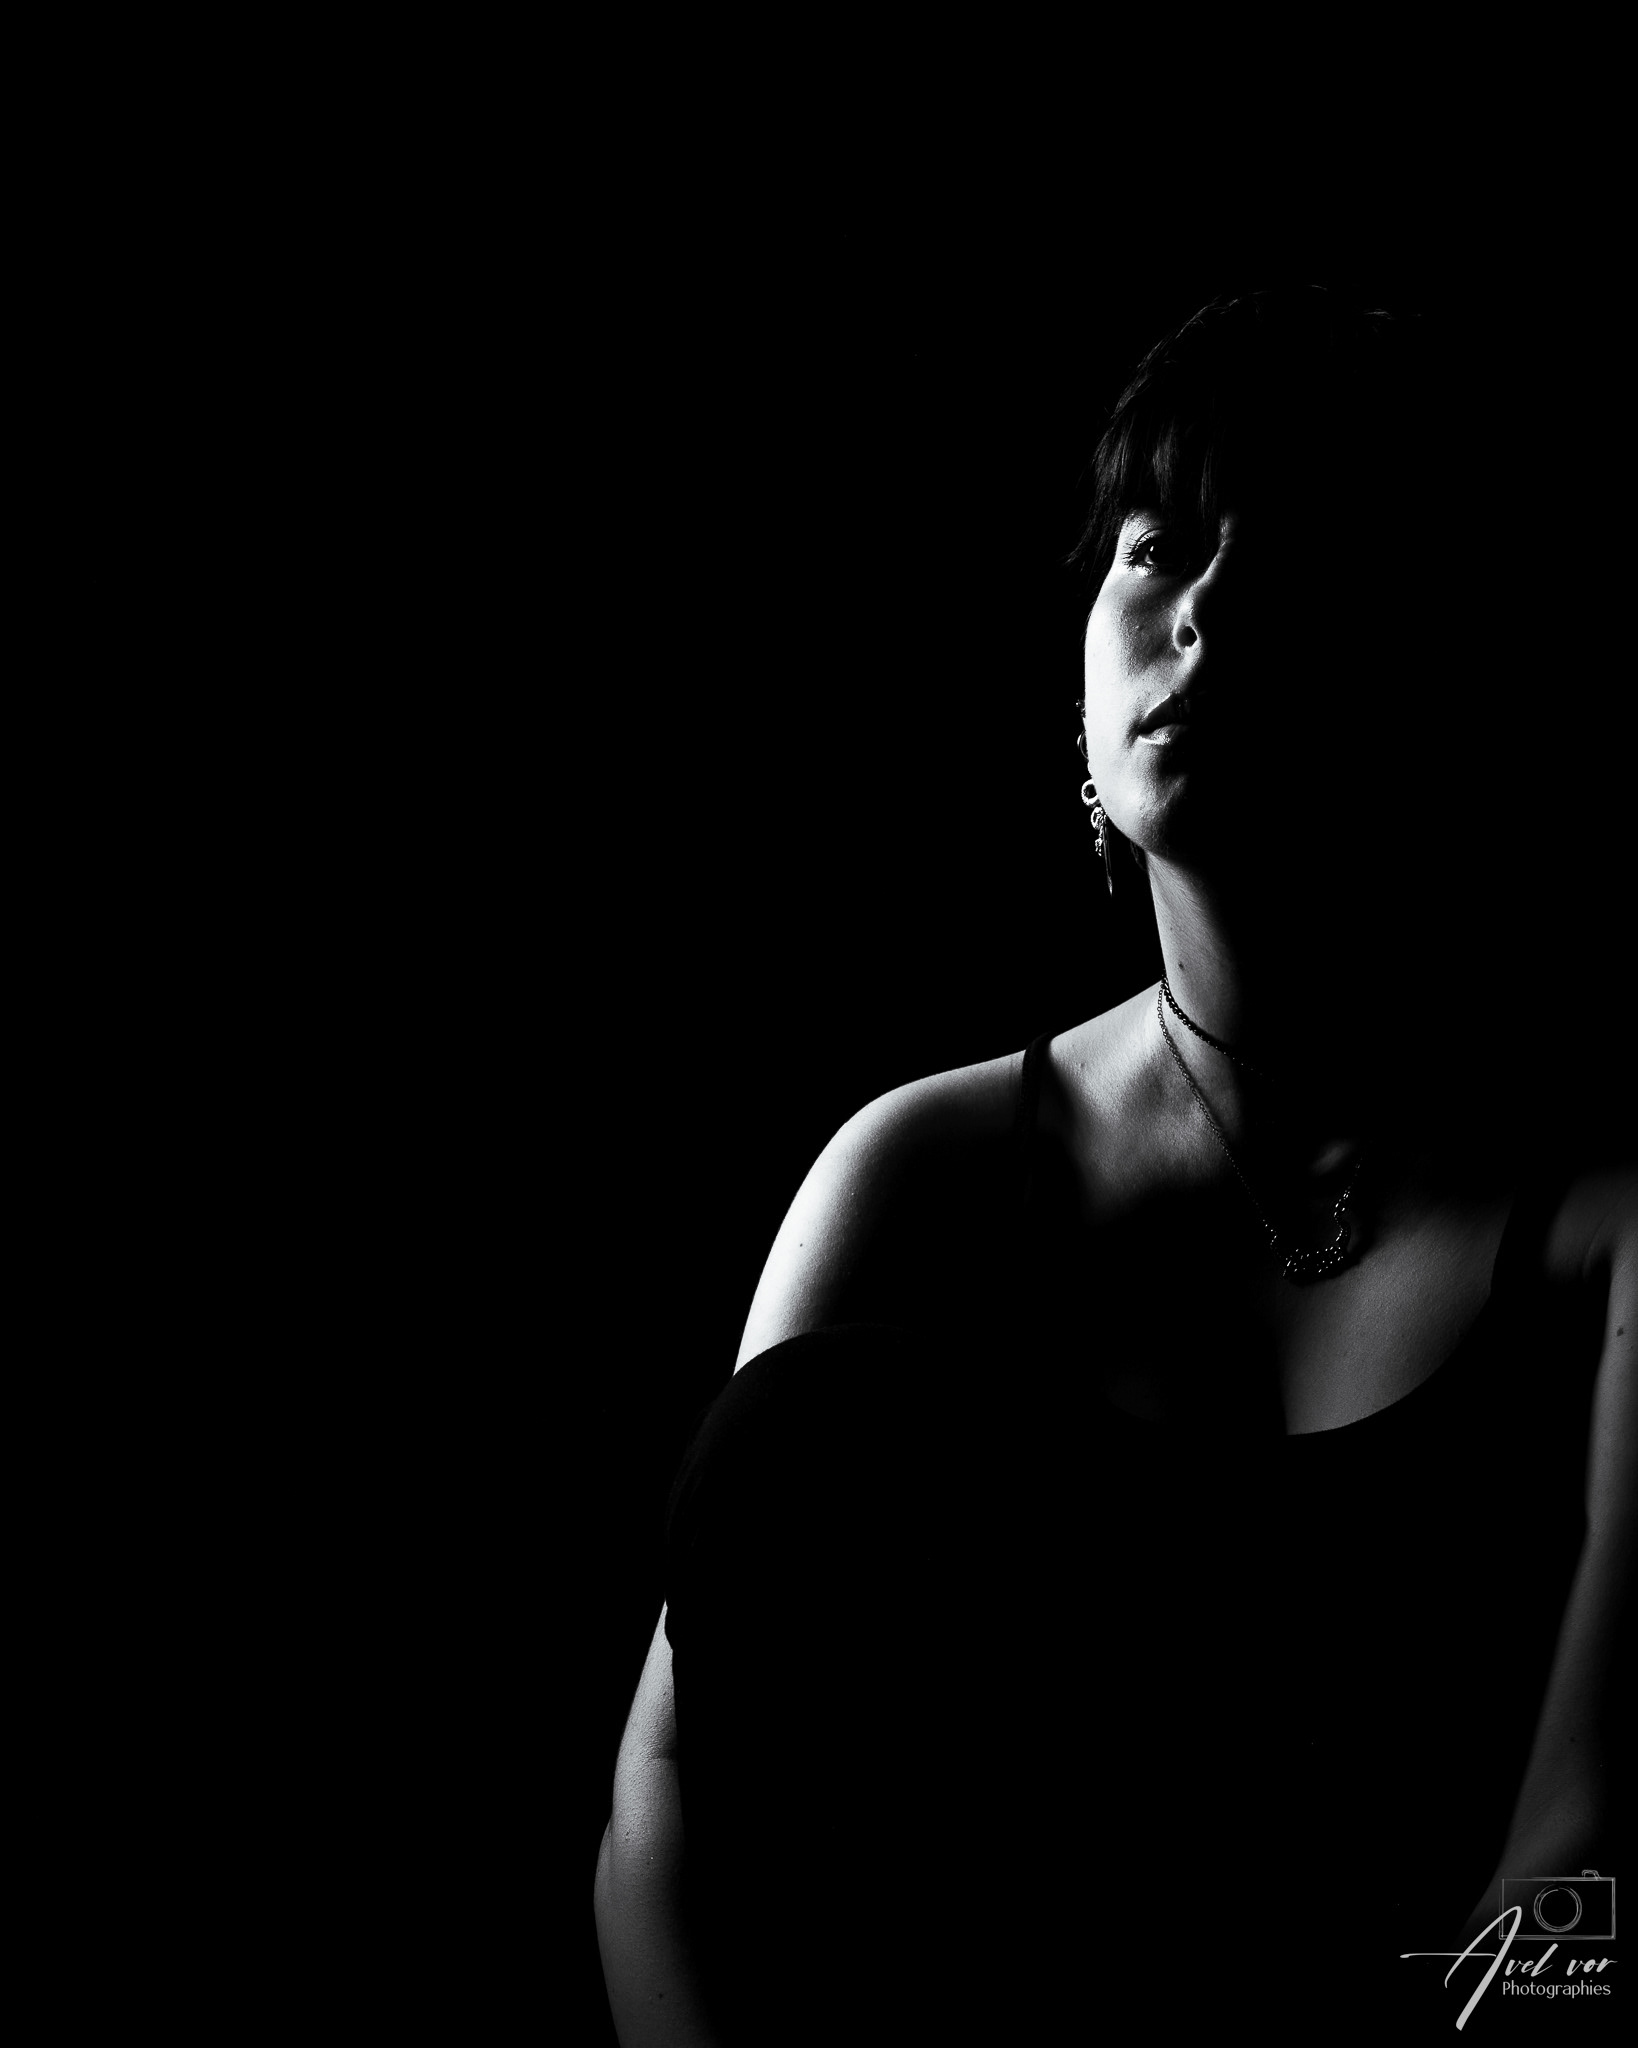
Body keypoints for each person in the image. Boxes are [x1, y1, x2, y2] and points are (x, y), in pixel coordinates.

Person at [594, 287, 1634, 2043]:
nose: (1202, 608)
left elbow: (1582, 1865)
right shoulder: (920, 1175)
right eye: (1154, 551)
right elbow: (664, 1799)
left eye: (1289, 557)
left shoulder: (1595, 1223)